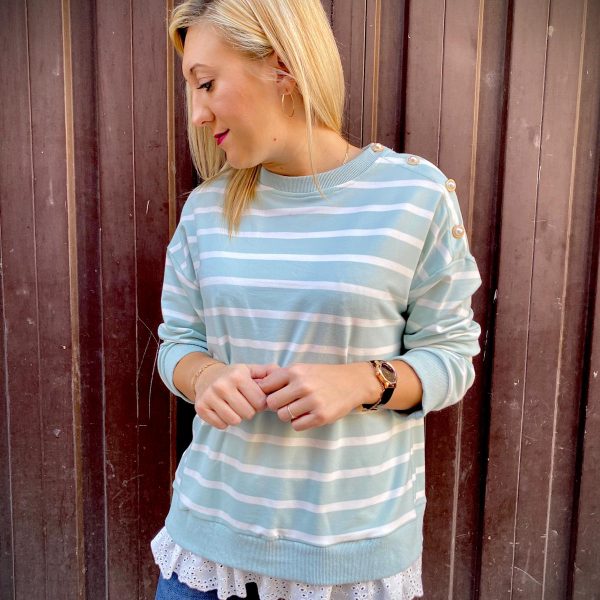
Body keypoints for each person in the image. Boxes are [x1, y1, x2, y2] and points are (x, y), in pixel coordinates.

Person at [151, 1, 482, 598]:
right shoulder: (205, 210)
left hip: (351, 563)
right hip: (206, 555)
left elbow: (452, 355)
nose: (196, 114)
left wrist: (363, 381)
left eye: (206, 83)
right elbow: (178, 343)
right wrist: (205, 378)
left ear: (280, 67)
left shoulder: (415, 195)